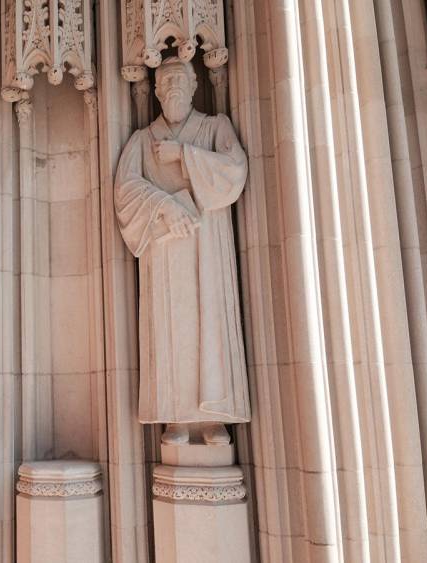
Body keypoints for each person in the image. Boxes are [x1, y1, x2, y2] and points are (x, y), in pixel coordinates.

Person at [114, 57, 250, 445]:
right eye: (165, 81)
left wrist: (185, 156)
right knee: (169, 327)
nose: (172, 86)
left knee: (211, 323)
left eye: (180, 79)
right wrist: (165, 207)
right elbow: (125, 191)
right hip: (164, 248)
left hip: (207, 246)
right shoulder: (142, 140)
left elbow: (234, 170)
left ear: (194, 86)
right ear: (155, 91)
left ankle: (214, 418)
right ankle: (173, 415)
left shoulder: (213, 127)